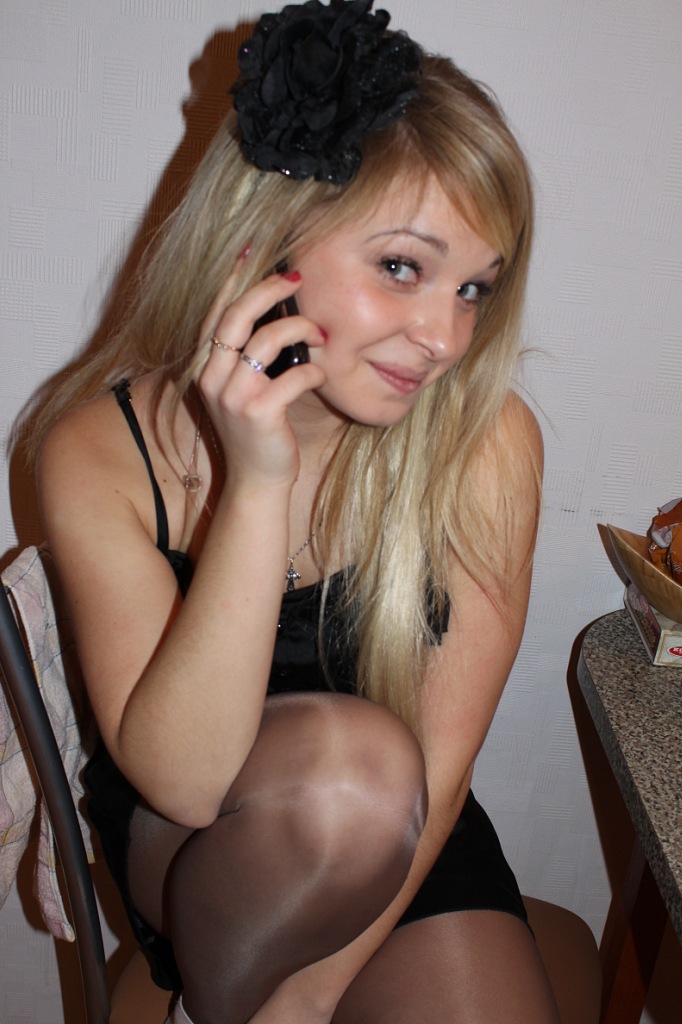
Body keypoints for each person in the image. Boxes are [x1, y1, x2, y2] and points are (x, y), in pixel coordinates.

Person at [34, 1, 555, 1021]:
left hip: (409, 832)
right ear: (260, 247)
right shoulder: (100, 454)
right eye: (402, 267)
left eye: (474, 289)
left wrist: (306, 1002)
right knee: (353, 778)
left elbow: (441, 769)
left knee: (385, 793)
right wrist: (256, 483)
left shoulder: (486, 442)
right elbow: (185, 782)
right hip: (200, 845)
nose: (446, 338)